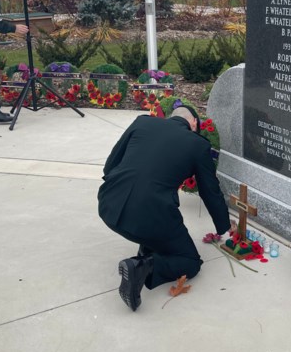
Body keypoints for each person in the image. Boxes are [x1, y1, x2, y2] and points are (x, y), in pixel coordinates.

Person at [98, 106, 231, 311]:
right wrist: (224, 226)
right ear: (194, 123)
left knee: (154, 227)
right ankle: (143, 266)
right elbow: (209, 191)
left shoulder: (142, 122)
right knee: (190, 262)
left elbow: (109, 166)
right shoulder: (197, 145)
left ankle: (149, 248)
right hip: (150, 216)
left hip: (108, 205)